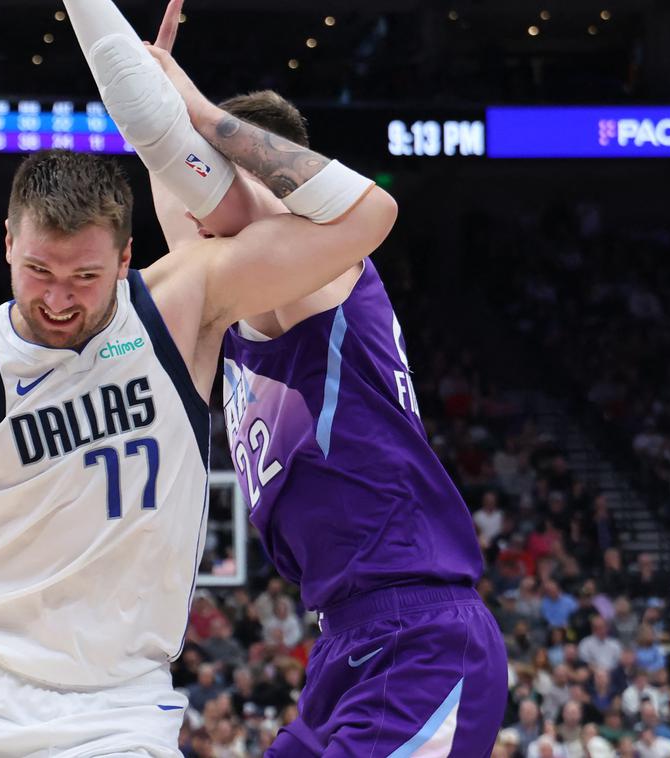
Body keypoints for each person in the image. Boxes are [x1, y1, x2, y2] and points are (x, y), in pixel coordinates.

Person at [0, 72, 397, 758]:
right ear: (6, 246)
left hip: (116, 709)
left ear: (126, 258)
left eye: (84, 277)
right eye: (37, 272)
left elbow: (364, 218)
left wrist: (188, 119)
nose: (57, 299)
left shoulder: (181, 306)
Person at [62, 0, 507, 754]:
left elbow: (229, 198)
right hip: (346, 644)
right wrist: (151, 106)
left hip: (421, 641)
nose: (196, 216)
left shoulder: (322, 277)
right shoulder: (236, 302)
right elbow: (183, 192)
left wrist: (196, 113)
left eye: (213, 188)